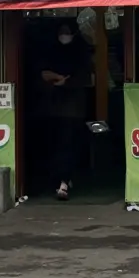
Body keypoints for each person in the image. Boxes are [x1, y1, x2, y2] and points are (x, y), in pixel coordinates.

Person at [40, 22, 92, 200]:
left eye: (67, 32)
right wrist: (58, 78)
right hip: (53, 108)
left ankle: (63, 182)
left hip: (72, 110)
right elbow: (43, 73)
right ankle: (61, 180)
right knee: (55, 145)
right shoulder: (52, 51)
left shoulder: (80, 53)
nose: (64, 35)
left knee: (67, 145)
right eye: (61, 32)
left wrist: (67, 82)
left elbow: (84, 76)